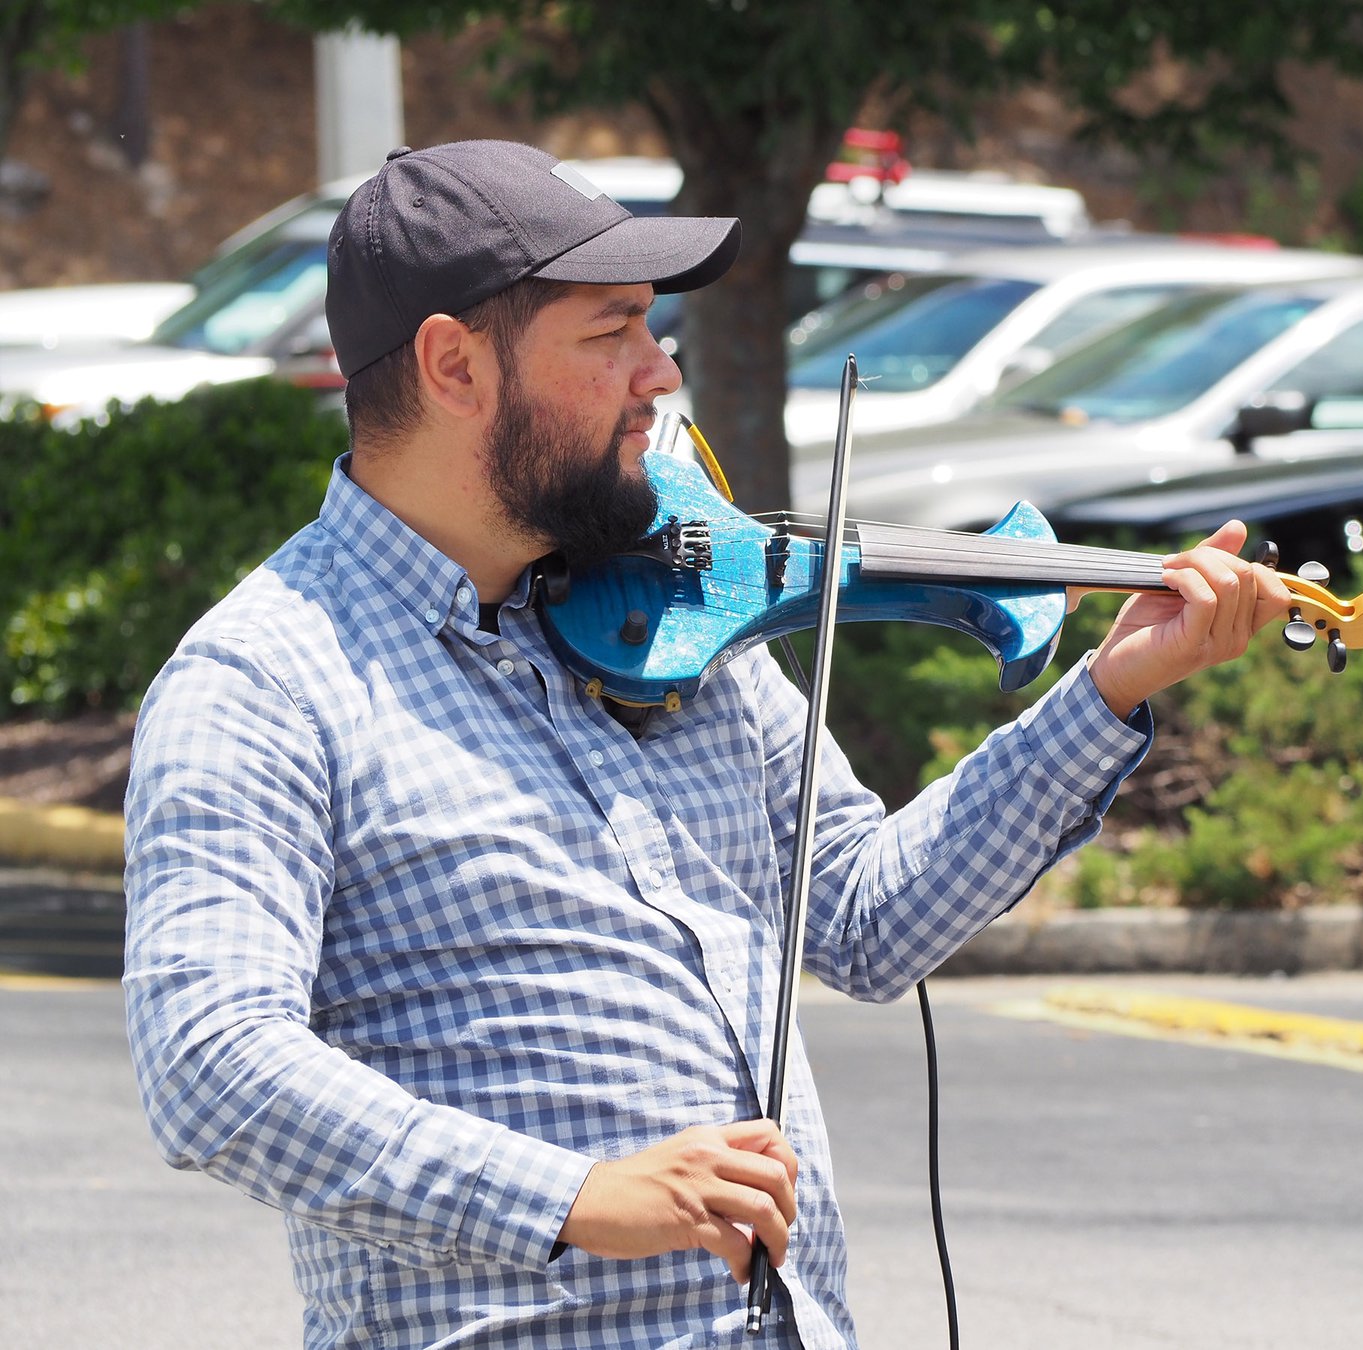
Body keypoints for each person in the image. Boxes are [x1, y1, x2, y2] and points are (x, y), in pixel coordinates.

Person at [121, 139, 1290, 1350]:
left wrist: (1106, 693)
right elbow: (211, 1063)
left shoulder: (680, 614)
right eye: (612, 331)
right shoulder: (265, 681)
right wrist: (576, 1199)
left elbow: (865, 917)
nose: (661, 370)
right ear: (454, 366)